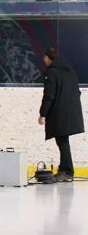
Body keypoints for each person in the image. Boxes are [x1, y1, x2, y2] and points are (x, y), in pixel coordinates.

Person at [38, 46, 83, 182]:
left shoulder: (52, 72)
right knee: (63, 141)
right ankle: (64, 170)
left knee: (63, 142)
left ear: (48, 58)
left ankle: (67, 172)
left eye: (44, 58)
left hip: (60, 112)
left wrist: (43, 114)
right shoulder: (69, 70)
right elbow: (77, 92)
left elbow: (49, 95)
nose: (44, 60)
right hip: (71, 111)